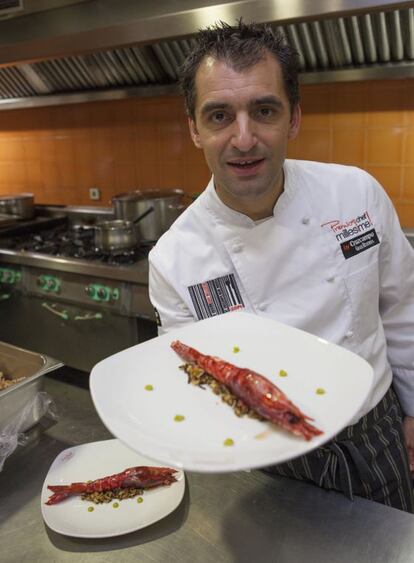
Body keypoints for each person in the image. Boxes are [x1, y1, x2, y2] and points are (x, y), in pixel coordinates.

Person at [148, 20, 414, 512]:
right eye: (219, 115)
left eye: (264, 110)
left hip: (377, 433)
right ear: (194, 129)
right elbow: (199, 383)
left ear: (293, 119)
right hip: (266, 460)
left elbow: (403, 310)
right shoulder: (175, 258)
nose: (244, 139)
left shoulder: (355, 194)